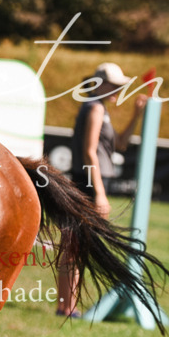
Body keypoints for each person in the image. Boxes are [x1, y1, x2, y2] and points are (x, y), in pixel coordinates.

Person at [56, 62, 148, 317]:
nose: (118, 90)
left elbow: (121, 144)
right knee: (75, 247)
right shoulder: (95, 108)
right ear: (100, 85)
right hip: (88, 181)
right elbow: (89, 151)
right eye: (114, 85)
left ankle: (65, 305)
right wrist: (99, 193)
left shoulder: (99, 108)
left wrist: (136, 115)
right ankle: (68, 307)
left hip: (89, 180)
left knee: (74, 246)